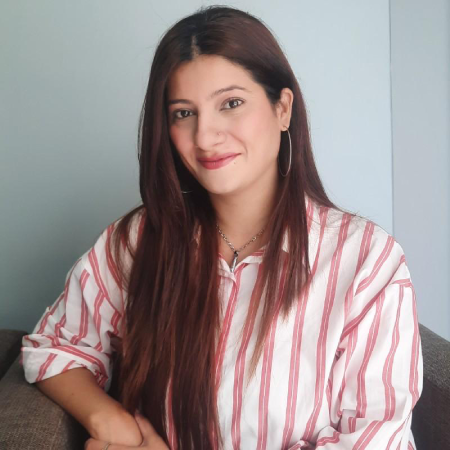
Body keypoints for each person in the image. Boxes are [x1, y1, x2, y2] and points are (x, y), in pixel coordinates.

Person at [21, 5, 423, 450]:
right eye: (183, 113)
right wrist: (114, 423)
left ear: (283, 108)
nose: (205, 136)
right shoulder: (138, 240)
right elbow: (54, 347)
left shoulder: (365, 260)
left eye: (231, 104)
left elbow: (373, 438)